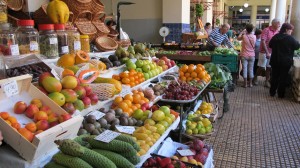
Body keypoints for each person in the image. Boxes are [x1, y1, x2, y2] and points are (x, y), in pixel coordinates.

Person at [269, 23, 300, 98]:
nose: (291, 31)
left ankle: (272, 92)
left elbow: (270, 45)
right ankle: (281, 94)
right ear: (286, 30)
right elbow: (297, 46)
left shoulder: (275, 36)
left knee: (274, 76)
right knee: (283, 78)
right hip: (285, 62)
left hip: (275, 60)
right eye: (291, 30)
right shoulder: (290, 38)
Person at [254, 19, 280, 88]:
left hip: (272, 52)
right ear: (274, 23)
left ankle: (266, 81)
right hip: (264, 51)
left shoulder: (278, 31)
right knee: (261, 66)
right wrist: (267, 52)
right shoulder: (266, 30)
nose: (279, 25)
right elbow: (263, 42)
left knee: (269, 67)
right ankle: (255, 77)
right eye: (278, 23)